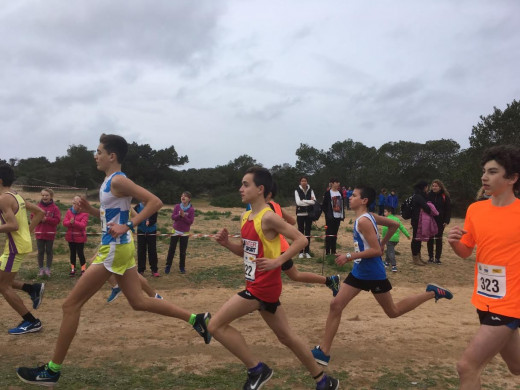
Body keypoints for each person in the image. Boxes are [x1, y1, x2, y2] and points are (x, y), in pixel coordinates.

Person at [17, 134, 211, 386]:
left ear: (112, 156)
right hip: (120, 248)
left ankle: (52, 371)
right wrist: (90, 210)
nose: (95, 155)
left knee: (69, 306)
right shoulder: (110, 181)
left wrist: (129, 225)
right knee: (139, 301)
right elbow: (109, 214)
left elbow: (155, 202)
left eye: (99, 151)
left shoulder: (119, 180)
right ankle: (196, 319)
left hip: (114, 249)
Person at [210, 166, 339, 390]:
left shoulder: (268, 217)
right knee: (287, 337)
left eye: (245, 184)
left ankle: (257, 369)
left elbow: (301, 240)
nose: (241, 189)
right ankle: (323, 380)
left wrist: (278, 262)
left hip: (262, 288)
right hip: (256, 284)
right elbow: (245, 252)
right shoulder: (245, 217)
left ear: (260, 189)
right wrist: (226, 244)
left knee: (215, 325)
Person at [311, 186, 453, 367]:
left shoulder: (364, 220)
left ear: (364, 201)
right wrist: (382, 243)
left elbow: (376, 251)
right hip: (359, 271)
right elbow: (394, 225)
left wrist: (350, 256)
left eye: (354, 196)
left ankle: (432, 292)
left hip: (373, 274)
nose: (349, 198)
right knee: (335, 305)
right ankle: (323, 352)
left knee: (393, 312)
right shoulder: (367, 217)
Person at [448, 145, 520, 389]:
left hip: (510, 303)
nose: (484, 177)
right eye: (484, 171)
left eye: (492, 172)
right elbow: (466, 251)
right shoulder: (475, 210)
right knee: (516, 366)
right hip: (484, 300)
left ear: (512, 178)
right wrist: (455, 243)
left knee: (467, 366)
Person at [269, 182, 340, 297]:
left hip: (276, 248)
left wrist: (277, 229)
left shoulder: (267, 208)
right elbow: (292, 221)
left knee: (261, 274)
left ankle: (258, 298)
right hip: (277, 246)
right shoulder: (275, 205)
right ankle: (330, 280)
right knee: (295, 275)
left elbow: (291, 223)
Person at [0, 164, 46, 335]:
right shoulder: (15, 195)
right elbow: (40, 212)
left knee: (2, 285)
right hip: (17, 245)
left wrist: (23, 231)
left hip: (15, 248)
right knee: (3, 279)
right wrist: (28, 231)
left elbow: (13, 225)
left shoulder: (4, 198)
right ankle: (31, 289)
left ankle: (31, 321)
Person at [165, 191, 195, 274]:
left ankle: (182, 267)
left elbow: (190, 222)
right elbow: (173, 217)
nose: (183, 197)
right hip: (175, 231)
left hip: (185, 233)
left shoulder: (191, 209)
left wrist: (184, 216)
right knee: (171, 249)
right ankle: (168, 266)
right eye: (182, 196)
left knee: (182, 251)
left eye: (185, 196)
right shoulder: (177, 206)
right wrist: (179, 215)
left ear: (189, 199)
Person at [34, 188, 61, 277]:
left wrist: (47, 219)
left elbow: (57, 220)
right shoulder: (37, 207)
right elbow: (32, 218)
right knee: (40, 251)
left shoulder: (55, 208)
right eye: (43, 195)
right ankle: (41, 269)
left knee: (49, 251)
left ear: (51, 196)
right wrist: (38, 219)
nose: (44, 197)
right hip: (39, 233)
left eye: (47, 195)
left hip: (50, 233)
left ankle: (48, 269)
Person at [63, 196, 89, 277]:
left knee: (80, 254)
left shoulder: (85, 213)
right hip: (70, 237)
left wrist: (74, 223)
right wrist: (70, 223)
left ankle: (83, 269)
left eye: (79, 204)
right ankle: (73, 269)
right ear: (73, 203)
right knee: (72, 254)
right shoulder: (69, 211)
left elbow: (83, 225)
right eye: (75, 203)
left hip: (80, 237)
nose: (77, 205)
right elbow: (64, 223)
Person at [426, 180, 451, 264]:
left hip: (440, 221)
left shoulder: (445, 196)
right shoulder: (428, 195)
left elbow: (448, 210)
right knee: (430, 239)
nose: (434, 187)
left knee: (438, 239)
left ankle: (437, 258)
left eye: (436, 186)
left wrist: (446, 220)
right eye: (433, 186)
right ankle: (430, 257)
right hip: (430, 220)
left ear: (440, 187)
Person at [410, 180, 434, 266]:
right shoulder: (418, 197)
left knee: (418, 239)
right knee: (416, 239)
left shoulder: (420, 196)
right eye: (427, 186)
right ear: (424, 187)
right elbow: (427, 207)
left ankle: (418, 256)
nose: (428, 188)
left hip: (419, 220)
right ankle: (415, 258)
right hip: (417, 220)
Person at [134, 201, 159, 277]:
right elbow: (134, 217)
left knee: (152, 251)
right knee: (141, 250)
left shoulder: (153, 206)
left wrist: (150, 222)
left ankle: (154, 270)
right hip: (141, 231)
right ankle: (141, 270)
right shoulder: (137, 207)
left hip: (151, 231)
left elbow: (154, 219)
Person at [382, 206, 410, 272]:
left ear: (390, 212)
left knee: (391, 252)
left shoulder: (386, 219)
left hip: (389, 239)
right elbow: (402, 227)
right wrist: (407, 235)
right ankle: (386, 263)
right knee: (389, 250)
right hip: (396, 239)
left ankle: (394, 266)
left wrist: (383, 239)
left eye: (385, 212)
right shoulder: (397, 219)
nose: (384, 213)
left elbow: (384, 230)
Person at [294, 176, 316, 258]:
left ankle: (307, 252)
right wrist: (308, 202)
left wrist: (305, 201)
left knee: (308, 233)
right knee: (300, 233)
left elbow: (314, 202)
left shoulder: (311, 190)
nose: (304, 182)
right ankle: (300, 252)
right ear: (300, 182)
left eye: (305, 181)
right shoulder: (297, 190)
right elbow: (298, 202)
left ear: (307, 182)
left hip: (309, 214)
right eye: (302, 181)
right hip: (300, 214)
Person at [321, 178, 344, 256]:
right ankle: (327, 252)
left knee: (335, 234)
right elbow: (323, 205)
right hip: (330, 217)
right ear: (332, 183)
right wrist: (327, 214)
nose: (338, 184)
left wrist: (342, 215)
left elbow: (342, 205)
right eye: (336, 182)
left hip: (338, 217)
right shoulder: (328, 193)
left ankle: (333, 251)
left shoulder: (340, 193)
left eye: (338, 182)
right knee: (329, 234)